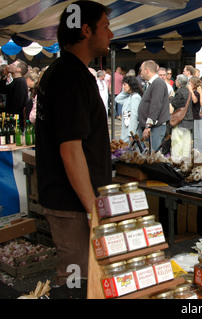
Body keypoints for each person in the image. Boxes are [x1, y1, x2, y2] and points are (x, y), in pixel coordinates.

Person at [34, 0, 113, 286]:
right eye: (106, 27)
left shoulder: (66, 71)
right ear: (86, 30)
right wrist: (93, 209)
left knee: (84, 279)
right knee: (76, 282)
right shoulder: (70, 77)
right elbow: (70, 150)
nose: (110, 34)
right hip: (74, 205)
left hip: (75, 202)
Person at [138, 60, 170, 151]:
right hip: (153, 126)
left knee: (154, 154)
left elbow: (156, 105)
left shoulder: (158, 83)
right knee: (151, 153)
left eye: (142, 70)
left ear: (147, 70)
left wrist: (148, 126)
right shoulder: (153, 83)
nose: (141, 73)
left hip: (156, 127)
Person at [170, 74, 194, 160]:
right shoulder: (189, 92)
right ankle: (186, 159)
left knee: (177, 141)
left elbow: (175, 104)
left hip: (180, 120)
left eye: (176, 80)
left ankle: (177, 160)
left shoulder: (179, 92)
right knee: (186, 141)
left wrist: (171, 98)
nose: (175, 81)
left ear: (179, 82)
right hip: (189, 119)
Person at [0, 59, 29, 129]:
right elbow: (2, 89)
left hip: (17, 121)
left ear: (18, 69)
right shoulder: (15, 81)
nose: (10, 65)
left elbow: (17, 104)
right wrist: (5, 76)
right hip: (12, 119)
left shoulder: (20, 82)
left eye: (13, 65)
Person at [115, 76, 143, 142]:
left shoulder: (135, 97)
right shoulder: (130, 96)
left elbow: (134, 116)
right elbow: (117, 99)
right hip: (126, 129)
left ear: (131, 85)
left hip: (130, 131)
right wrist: (126, 91)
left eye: (125, 85)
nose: (123, 87)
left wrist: (131, 134)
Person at [188, 76, 202, 151]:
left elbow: (195, 100)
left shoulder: (197, 93)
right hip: (191, 117)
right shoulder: (191, 92)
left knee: (197, 138)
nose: (189, 83)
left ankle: (198, 153)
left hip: (196, 117)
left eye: (190, 82)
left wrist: (191, 90)